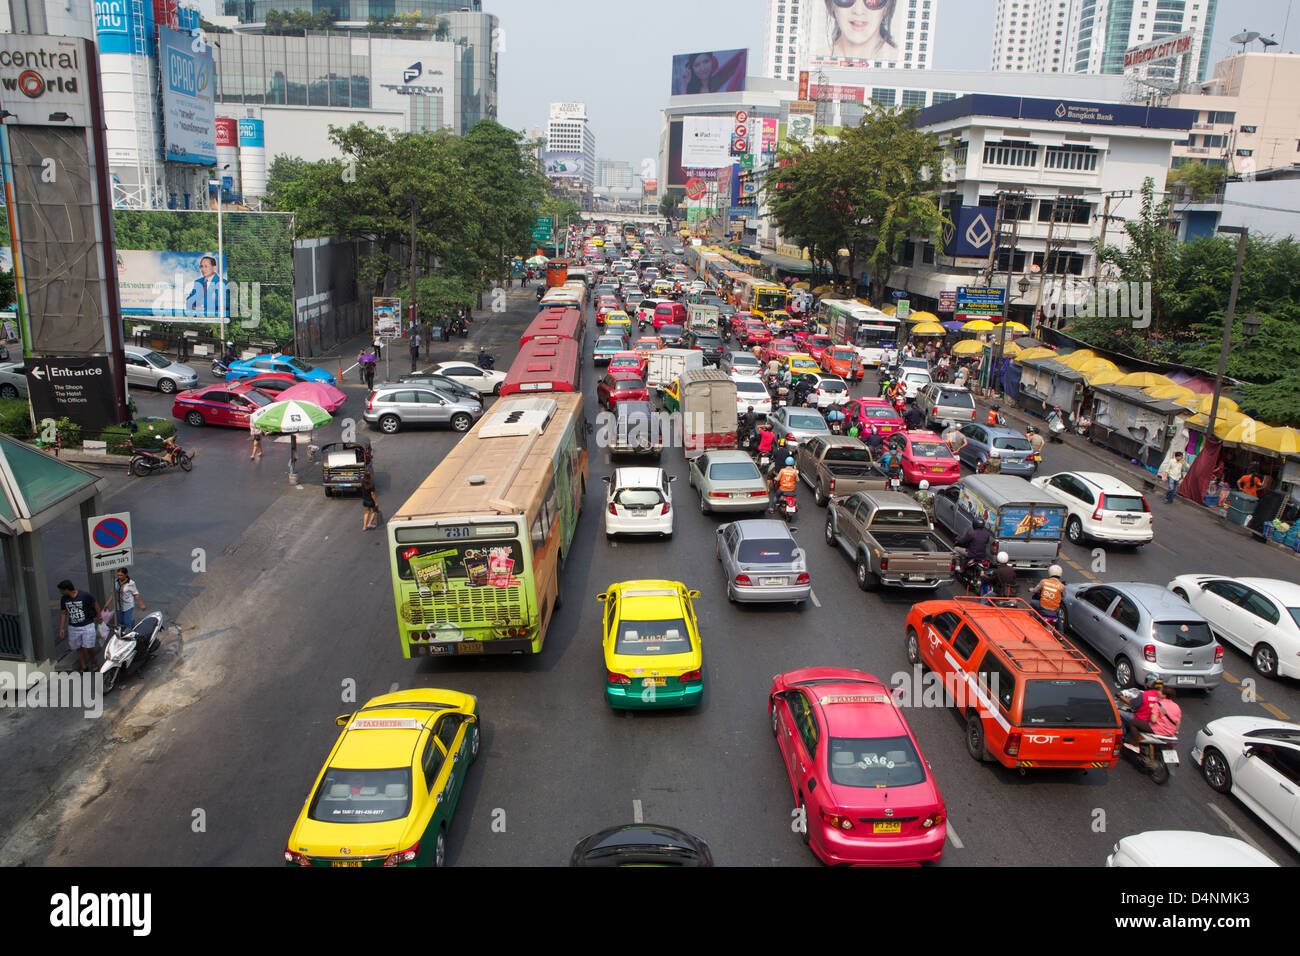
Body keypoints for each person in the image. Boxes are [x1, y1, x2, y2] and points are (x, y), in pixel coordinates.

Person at [1122, 676, 1181, 745]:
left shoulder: (1158, 704)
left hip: (1157, 730)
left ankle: (1133, 743)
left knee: (1132, 722)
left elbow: (1153, 720)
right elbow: (1178, 722)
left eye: (1161, 691)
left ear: (1164, 695)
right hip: (1171, 732)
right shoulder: (1176, 706)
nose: (1159, 692)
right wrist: (1175, 731)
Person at [58, 579, 101, 674]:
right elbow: (63, 613)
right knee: (78, 647)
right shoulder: (64, 599)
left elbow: (95, 603)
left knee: (89, 647)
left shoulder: (84, 595)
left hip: (87, 625)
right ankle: (84, 666)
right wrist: (61, 628)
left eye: (61, 590)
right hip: (73, 627)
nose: (60, 592)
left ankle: (94, 662)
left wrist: (99, 616)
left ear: (66, 589)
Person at [105, 568, 146, 633]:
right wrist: (107, 604)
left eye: (121, 575)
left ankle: (129, 633)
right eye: (118, 575)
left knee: (126, 622)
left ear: (126, 574)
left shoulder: (131, 583)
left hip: (128, 605)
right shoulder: (115, 582)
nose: (119, 577)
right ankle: (131, 622)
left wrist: (141, 604)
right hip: (119, 606)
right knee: (120, 621)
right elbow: (113, 593)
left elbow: (136, 594)